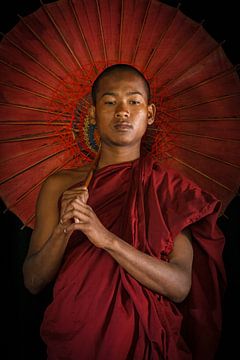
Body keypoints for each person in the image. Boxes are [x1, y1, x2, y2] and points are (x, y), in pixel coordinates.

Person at [23, 64, 226, 360]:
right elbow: (32, 281)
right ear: (93, 114)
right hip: (76, 335)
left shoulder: (168, 190)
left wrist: (106, 239)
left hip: (145, 341)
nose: (122, 111)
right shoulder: (60, 186)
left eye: (133, 101)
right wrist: (63, 229)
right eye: (109, 102)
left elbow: (180, 286)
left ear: (150, 113)